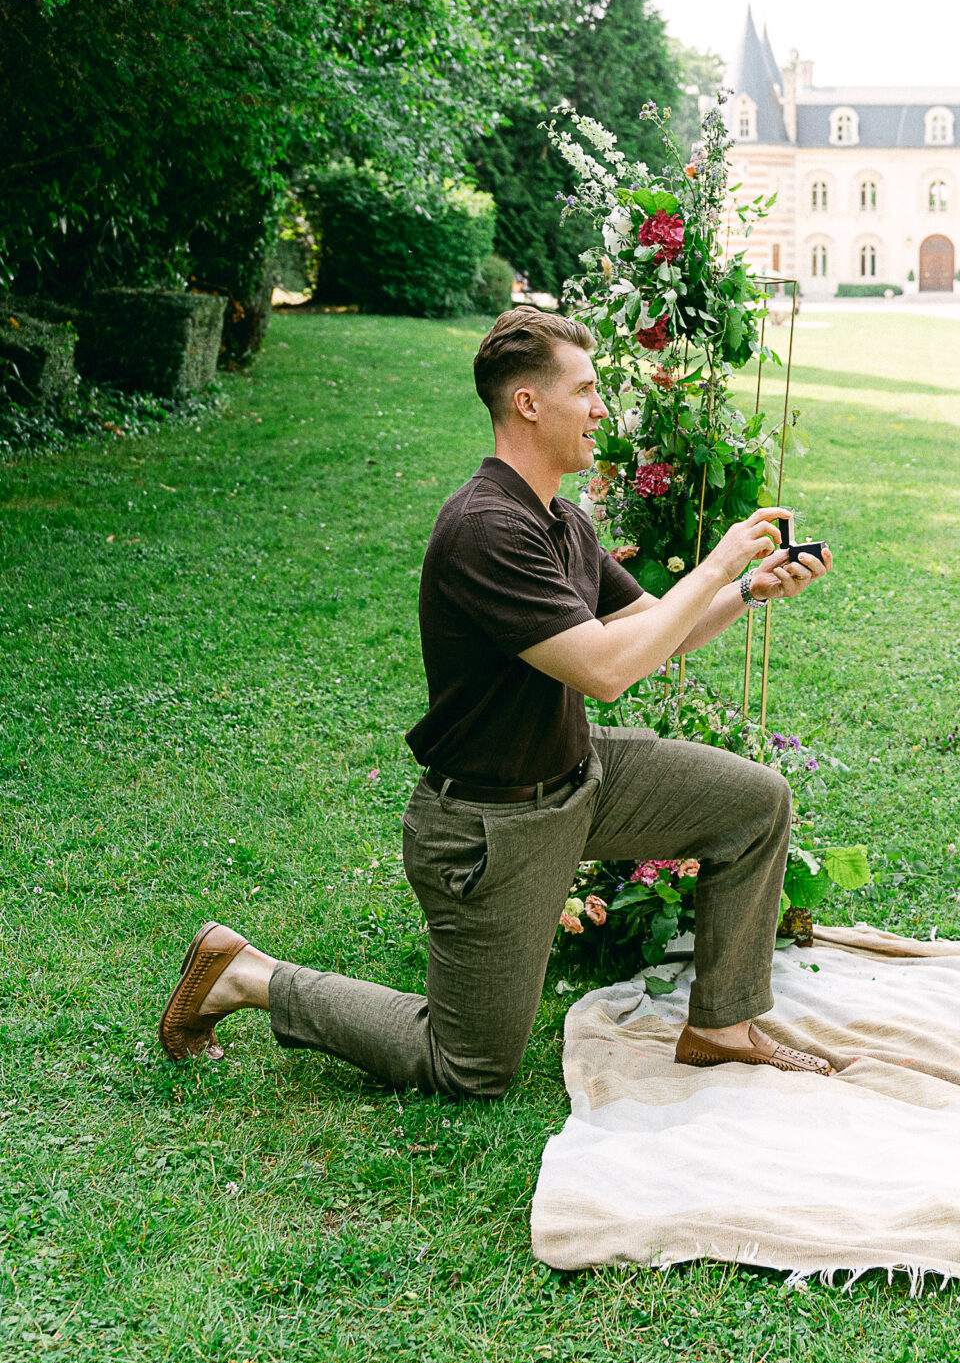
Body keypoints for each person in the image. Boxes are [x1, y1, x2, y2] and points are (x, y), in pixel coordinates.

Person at [159, 308, 836, 1094]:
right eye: (584, 390)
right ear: (527, 404)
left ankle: (720, 1025)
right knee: (469, 1066)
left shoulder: (562, 521)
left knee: (753, 803)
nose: (599, 408)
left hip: (579, 777)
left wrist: (746, 589)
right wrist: (717, 564)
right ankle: (246, 974)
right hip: (491, 824)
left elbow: (655, 633)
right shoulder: (486, 528)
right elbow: (606, 672)